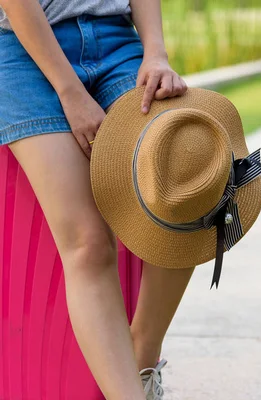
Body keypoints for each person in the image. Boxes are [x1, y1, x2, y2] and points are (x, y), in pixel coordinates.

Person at [0, 0, 190, 398]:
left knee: (188, 190)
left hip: (118, 41)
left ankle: (142, 357)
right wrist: (70, 92)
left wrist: (155, 53)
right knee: (87, 244)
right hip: (21, 50)